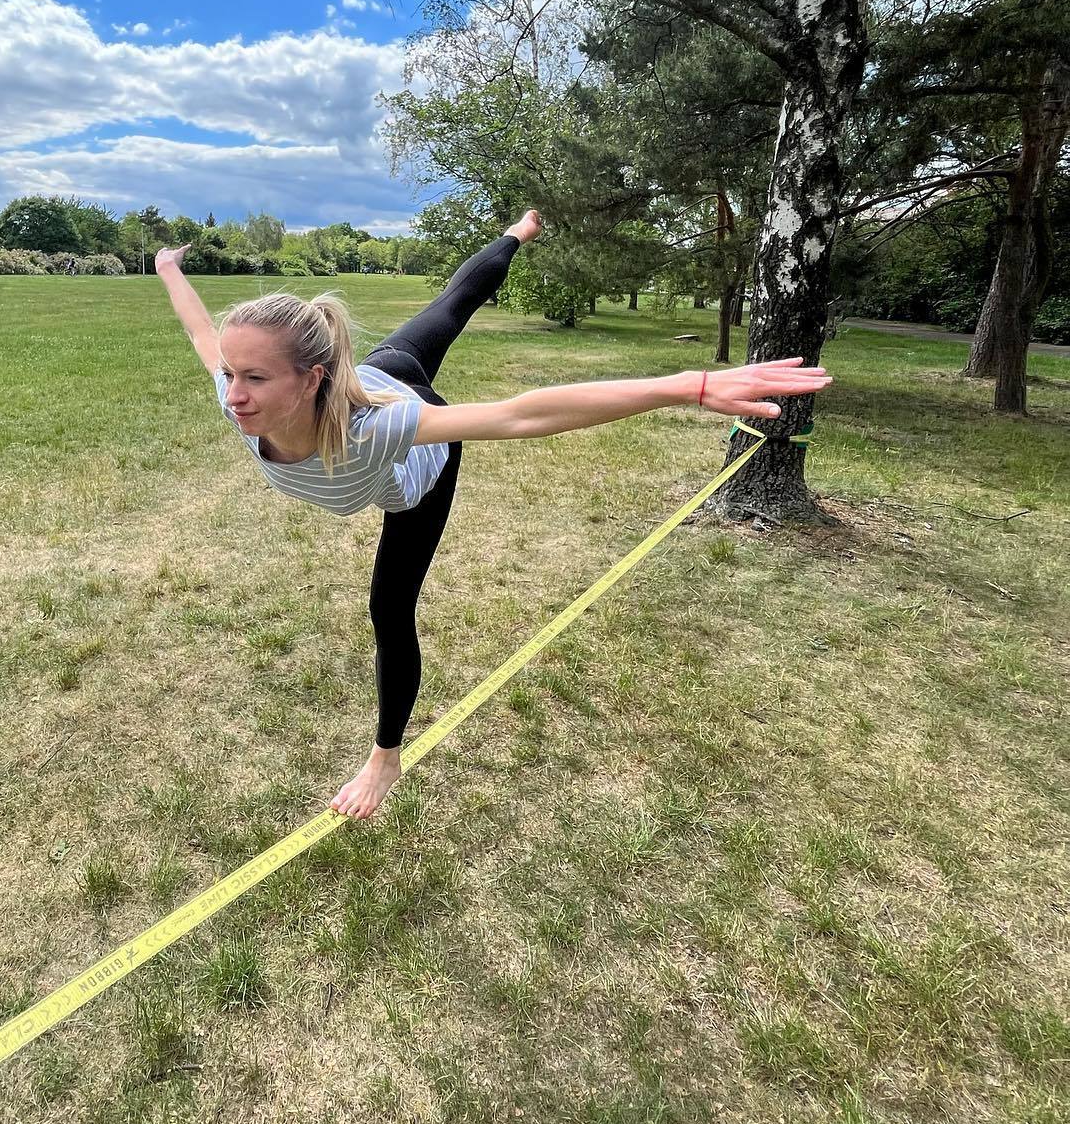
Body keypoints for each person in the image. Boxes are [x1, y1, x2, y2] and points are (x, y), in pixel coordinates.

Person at [156, 214, 832, 820]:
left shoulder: (377, 430)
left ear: (312, 378)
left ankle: (386, 758)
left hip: (414, 467)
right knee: (449, 305)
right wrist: (167, 267)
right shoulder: (237, 398)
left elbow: (519, 415)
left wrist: (689, 386)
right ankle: (518, 231)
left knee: (389, 607)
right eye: (232, 374)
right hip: (385, 370)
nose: (234, 395)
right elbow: (199, 331)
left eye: (255, 379)